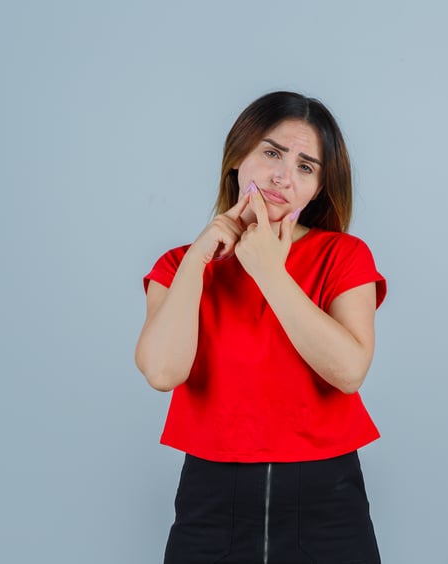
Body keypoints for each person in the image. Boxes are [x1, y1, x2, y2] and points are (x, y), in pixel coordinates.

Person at [135, 91, 387, 564]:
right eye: (271, 153)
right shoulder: (178, 266)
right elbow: (162, 372)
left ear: (317, 189)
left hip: (327, 503)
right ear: (238, 158)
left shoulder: (345, 257)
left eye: (306, 167)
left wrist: (270, 270)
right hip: (211, 503)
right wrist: (198, 257)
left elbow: (349, 371)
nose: (282, 176)